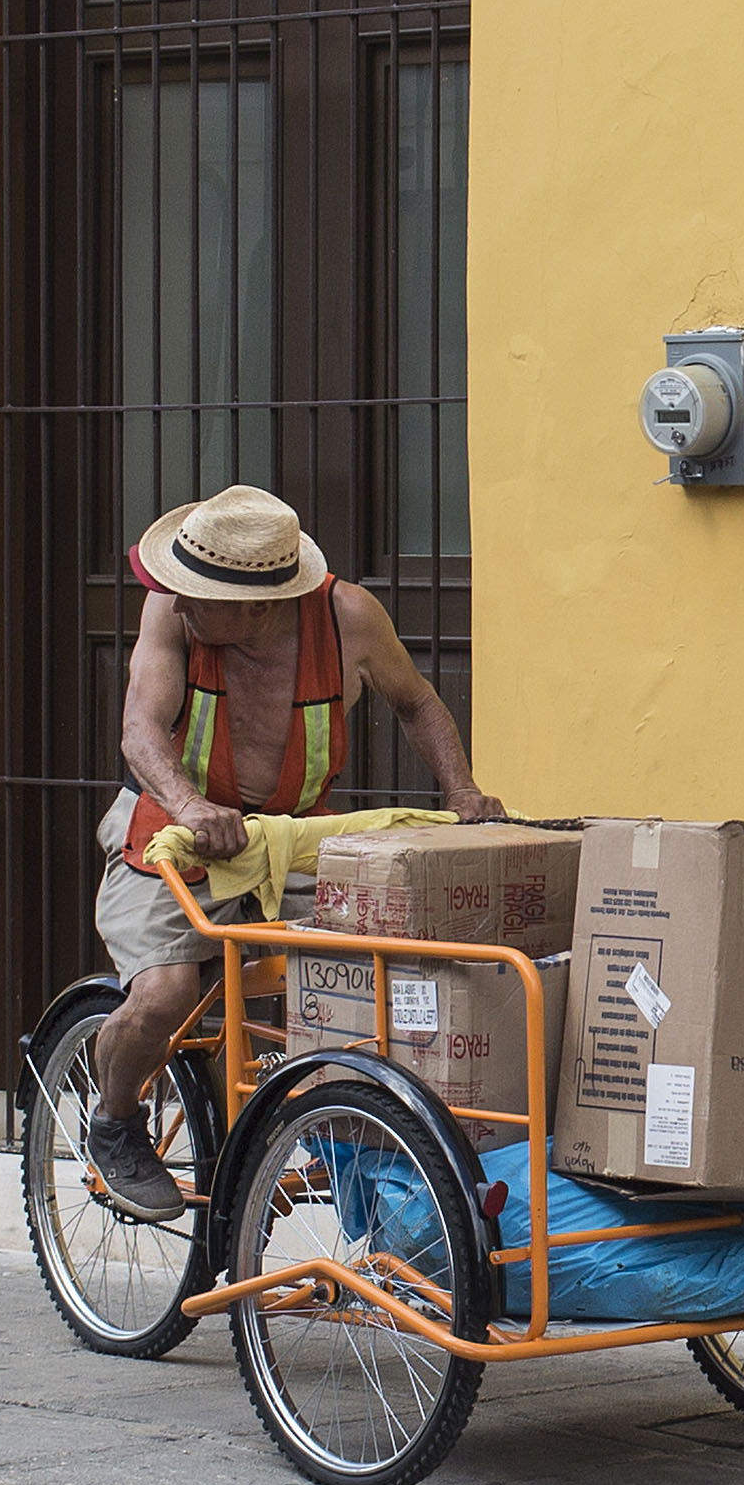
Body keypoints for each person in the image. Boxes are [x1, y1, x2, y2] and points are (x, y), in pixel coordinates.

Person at [82, 485, 502, 1219]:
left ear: (258, 606)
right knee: (165, 995)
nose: (180, 602)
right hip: (172, 834)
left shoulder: (349, 619)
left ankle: (348, 1126)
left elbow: (416, 703)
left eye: (201, 596)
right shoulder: (170, 611)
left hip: (291, 841)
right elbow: (140, 730)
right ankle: (116, 1122)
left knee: (399, 960)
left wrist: (463, 791)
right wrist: (191, 806)